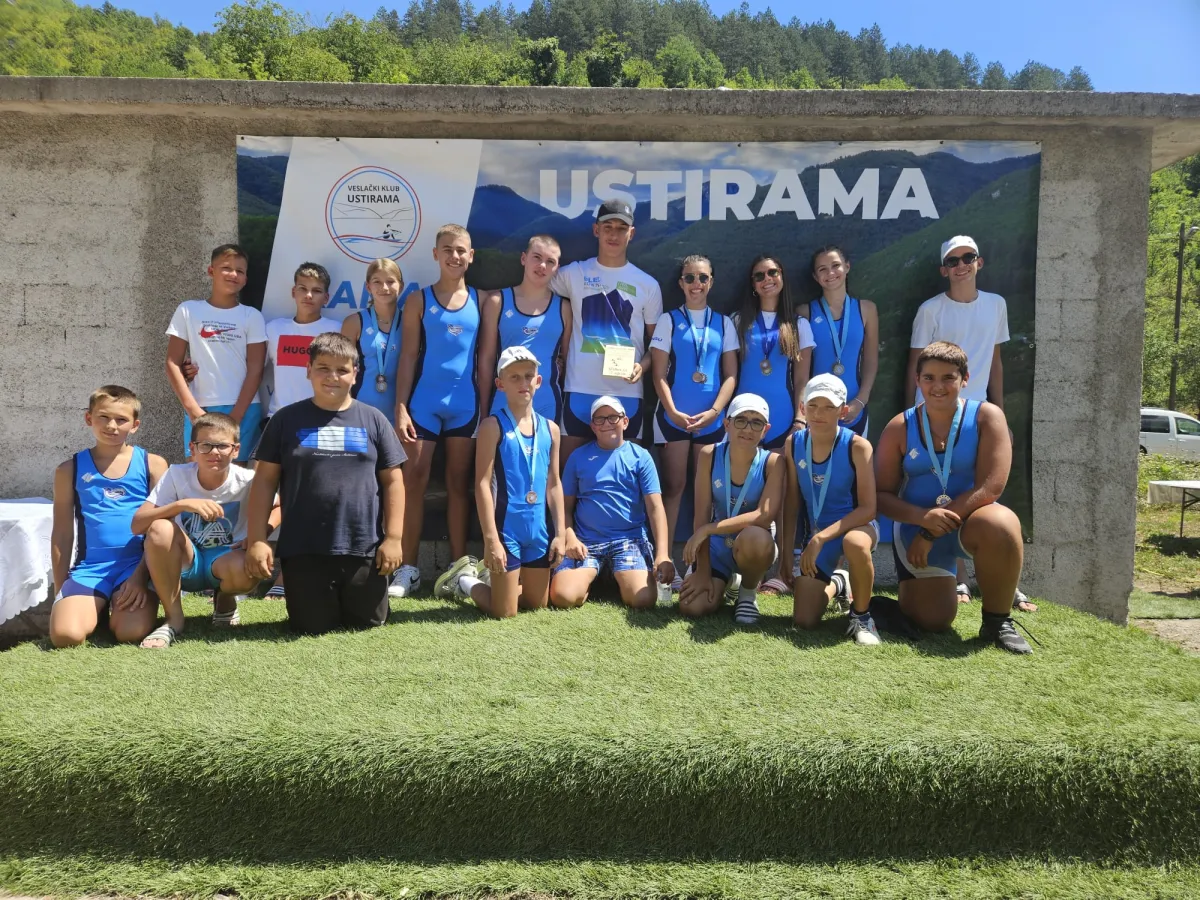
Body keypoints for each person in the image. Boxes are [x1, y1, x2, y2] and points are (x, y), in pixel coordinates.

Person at [906, 236, 1036, 612]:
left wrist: (999, 414)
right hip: (935, 415)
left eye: (968, 258)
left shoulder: (996, 305)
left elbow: (995, 361)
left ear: (979, 262)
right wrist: (910, 419)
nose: (961, 265)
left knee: (987, 495)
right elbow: (917, 366)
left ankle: (1002, 581)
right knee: (945, 488)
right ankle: (958, 577)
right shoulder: (930, 310)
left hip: (979, 414)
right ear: (943, 270)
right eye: (953, 260)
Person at [875, 341, 1032, 654]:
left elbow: (990, 487)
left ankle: (997, 621)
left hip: (969, 524)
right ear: (917, 380)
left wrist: (931, 532)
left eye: (948, 377)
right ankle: (878, 606)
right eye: (929, 378)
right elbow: (881, 495)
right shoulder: (900, 426)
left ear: (965, 379)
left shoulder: (987, 417)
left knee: (1002, 522)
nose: (938, 386)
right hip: (916, 528)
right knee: (932, 621)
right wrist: (922, 519)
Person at [245, 332, 406, 635]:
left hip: (363, 547)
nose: (332, 377)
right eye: (323, 368)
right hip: (304, 549)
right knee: (311, 627)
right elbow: (264, 482)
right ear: (308, 370)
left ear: (355, 374)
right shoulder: (285, 420)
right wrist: (257, 539)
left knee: (367, 624)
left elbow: (393, 481)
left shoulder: (374, 420)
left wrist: (394, 538)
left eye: (342, 370)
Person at [435, 347, 567, 617]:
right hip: (507, 530)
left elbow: (554, 483)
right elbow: (482, 485)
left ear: (538, 381)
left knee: (536, 604)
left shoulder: (551, 429)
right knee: (504, 613)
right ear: (500, 384)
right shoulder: (492, 426)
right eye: (514, 377)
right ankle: (463, 580)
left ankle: (498, 584)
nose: (523, 382)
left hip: (539, 530)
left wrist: (561, 534)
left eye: (528, 376)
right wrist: (491, 539)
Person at [131, 413, 274, 648]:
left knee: (248, 565)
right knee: (159, 528)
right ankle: (174, 619)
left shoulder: (247, 479)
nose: (214, 452)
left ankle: (225, 599)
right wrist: (182, 505)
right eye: (205, 445)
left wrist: (258, 537)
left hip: (227, 558)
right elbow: (138, 524)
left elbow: (278, 506)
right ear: (193, 448)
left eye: (222, 446)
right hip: (187, 560)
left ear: (236, 450)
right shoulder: (177, 475)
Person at [392, 225, 482, 597]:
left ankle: (459, 569)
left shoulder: (483, 301)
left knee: (459, 484)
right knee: (413, 481)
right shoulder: (418, 300)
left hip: (466, 405)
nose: (454, 256)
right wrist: (401, 407)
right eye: (447, 249)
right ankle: (407, 568)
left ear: (471, 256)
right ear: (435, 254)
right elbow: (408, 356)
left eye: (461, 250)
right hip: (424, 404)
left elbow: (485, 358)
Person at [48, 385, 167, 648]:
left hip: (136, 568)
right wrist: (61, 589)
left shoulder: (153, 464)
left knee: (129, 632)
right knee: (66, 636)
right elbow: (62, 533)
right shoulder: (69, 469)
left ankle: (120, 603)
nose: (111, 426)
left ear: (135, 425)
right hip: (90, 569)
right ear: (88, 418)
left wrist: (140, 576)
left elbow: (161, 528)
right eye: (103, 417)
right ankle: (94, 605)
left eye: (121, 419)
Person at [551, 199, 663, 461]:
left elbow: (658, 343)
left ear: (631, 234)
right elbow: (533, 288)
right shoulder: (574, 273)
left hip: (626, 393)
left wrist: (643, 366)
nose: (614, 234)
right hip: (579, 389)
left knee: (625, 474)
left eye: (621, 228)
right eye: (608, 227)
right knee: (569, 474)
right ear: (596, 230)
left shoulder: (647, 284)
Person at [650, 254, 738, 579]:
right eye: (690, 278)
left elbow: (730, 375)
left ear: (711, 282)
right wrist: (672, 410)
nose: (696, 284)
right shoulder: (669, 320)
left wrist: (715, 412)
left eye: (702, 278)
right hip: (673, 418)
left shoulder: (724, 323)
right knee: (674, 487)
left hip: (712, 421)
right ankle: (664, 562)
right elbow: (658, 374)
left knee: (705, 493)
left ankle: (700, 565)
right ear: (681, 283)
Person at [779, 375, 880, 646]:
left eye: (828, 407)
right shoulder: (793, 443)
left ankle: (862, 617)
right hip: (818, 536)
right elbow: (791, 502)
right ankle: (839, 582)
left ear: (843, 411)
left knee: (854, 543)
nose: (818, 413)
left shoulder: (858, 446)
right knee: (804, 620)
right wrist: (786, 554)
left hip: (857, 527)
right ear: (802, 408)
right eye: (812, 406)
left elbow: (869, 509)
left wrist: (820, 538)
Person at [550, 396, 674, 609]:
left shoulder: (641, 457)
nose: (607, 423)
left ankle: (614, 576)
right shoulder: (578, 457)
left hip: (628, 540)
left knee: (642, 600)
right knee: (563, 597)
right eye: (599, 419)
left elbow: (655, 508)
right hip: (585, 542)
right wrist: (569, 537)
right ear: (593, 426)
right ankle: (595, 577)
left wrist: (663, 554)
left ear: (625, 422)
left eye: (613, 417)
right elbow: (565, 508)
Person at [678, 393, 784, 626]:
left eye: (756, 423)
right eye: (741, 420)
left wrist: (708, 529)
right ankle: (729, 582)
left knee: (755, 537)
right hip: (717, 544)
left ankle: (747, 593)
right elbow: (701, 513)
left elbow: (763, 516)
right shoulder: (709, 454)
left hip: (753, 543)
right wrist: (702, 571)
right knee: (692, 607)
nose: (748, 428)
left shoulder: (773, 462)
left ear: (765, 430)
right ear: (727, 424)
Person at [165, 244, 266, 463]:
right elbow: (172, 362)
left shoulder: (252, 316)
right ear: (211, 271)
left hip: (244, 407)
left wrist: (237, 415)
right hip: (201, 406)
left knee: (235, 475)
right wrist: (193, 410)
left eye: (240, 271)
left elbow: (256, 368)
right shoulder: (188, 310)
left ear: (246, 279)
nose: (233, 274)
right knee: (197, 472)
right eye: (226, 268)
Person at [477, 235, 571, 424]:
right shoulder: (497, 302)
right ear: (523, 258)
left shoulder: (564, 309)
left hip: (547, 403)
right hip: (503, 402)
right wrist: (483, 411)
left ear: (557, 268)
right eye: (537, 257)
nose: (542, 266)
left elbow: (570, 362)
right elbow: (486, 360)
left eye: (550, 262)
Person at [732, 255, 815, 451]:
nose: (767, 279)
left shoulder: (799, 325)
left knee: (778, 471)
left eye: (773, 272)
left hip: (782, 417)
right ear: (753, 284)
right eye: (759, 276)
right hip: (742, 416)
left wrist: (800, 419)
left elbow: (802, 379)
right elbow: (728, 374)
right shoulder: (737, 321)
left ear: (782, 277)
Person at [803, 246, 879, 437]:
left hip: (854, 410)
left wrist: (860, 401)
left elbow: (870, 361)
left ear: (847, 267)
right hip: (816, 413)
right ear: (815, 277)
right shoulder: (805, 312)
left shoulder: (867, 309)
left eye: (835, 265)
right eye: (822, 269)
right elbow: (800, 370)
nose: (830, 273)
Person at [340, 257, 405, 428]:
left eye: (390, 281)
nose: (384, 287)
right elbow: (342, 369)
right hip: (359, 414)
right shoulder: (354, 322)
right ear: (368, 287)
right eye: (377, 282)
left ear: (401, 286)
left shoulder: (410, 322)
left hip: (398, 417)